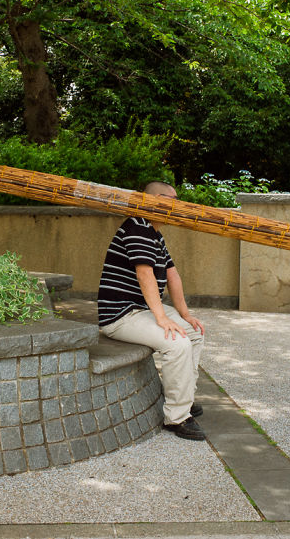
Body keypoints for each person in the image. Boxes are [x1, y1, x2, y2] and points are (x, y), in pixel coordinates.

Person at [97, 181, 207, 440]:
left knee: (193, 332)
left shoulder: (154, 233)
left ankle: (184, 399)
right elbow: (144, 272)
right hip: (122, 315)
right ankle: (177, 418)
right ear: (155, 199)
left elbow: (173, 275)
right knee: (176, 342)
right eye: (173, 199)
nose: (177, 205)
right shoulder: (136, 226)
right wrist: (161, 318)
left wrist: (185, 315)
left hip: (141, 310)